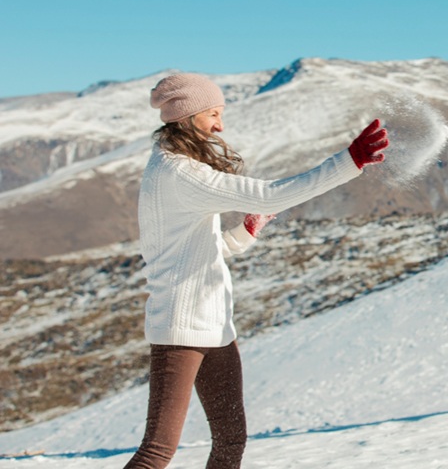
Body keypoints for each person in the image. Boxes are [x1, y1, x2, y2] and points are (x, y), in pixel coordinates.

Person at [125, 72, 388, 469]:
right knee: (157, 452)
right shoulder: (179, 173)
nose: (220, 124)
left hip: (215, 328)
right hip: (180, 330)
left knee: (231, 441)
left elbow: (195, 252)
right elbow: (271, 194)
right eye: (212, 113)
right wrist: (347, 162)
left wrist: (243, 233)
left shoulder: (177, 168)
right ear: (187, 115)